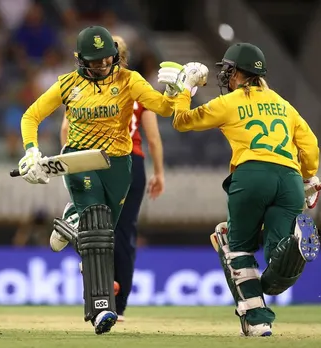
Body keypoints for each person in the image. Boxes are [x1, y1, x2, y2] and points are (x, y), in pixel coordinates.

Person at [16, 25, 191, 335]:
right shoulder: (68, 84)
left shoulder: (129, 80)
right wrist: (32, 152)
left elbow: (163, 108)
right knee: (97, 228)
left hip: (119, 163)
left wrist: (178, 91)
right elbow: (31, 116)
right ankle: (101, 310)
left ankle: (73, 218)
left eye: (106, 60)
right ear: (80, 60)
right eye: (94, 61)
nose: (101, 66)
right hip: (80, 159)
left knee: (104, 232)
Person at [158, 43, 321, 337]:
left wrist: (185, 88)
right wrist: (308, 177)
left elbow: (181, 121)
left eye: (228, 70)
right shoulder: (284, 105)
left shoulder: (230, 102)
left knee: (236, 247)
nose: (226, 76)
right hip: (290, 180)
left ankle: (257, 320)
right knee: (275, 261)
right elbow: (309, 146)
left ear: (236, 72)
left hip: (252, 175)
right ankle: (295, 246)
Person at [55, 35, 165, 322]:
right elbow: (153, 137)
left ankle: (99, 297)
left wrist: (70, 162)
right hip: (131, 162)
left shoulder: (84, 89)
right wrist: (160, 172)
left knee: (95, 230)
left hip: (92, 159)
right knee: (122, 233)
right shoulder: (137, 88)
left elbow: (66, 129)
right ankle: (116, 302)